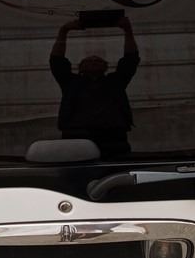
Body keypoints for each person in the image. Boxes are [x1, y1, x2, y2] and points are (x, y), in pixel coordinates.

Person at [50, 16, 140, 156]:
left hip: (112, 136)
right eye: (89, 60)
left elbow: (131, 59)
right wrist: (64, 31)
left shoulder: (115, 81)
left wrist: (128, 31)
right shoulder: (71, 82)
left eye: (97, 60)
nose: (93, 61)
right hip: (77, 135)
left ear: (105, 67)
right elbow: (57, 61)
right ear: (80, 68)